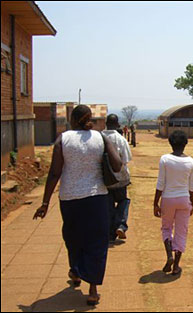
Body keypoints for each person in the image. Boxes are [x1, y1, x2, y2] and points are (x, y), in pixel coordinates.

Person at [33, 105, 122, 306]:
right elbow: (117, 165)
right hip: (97, 197)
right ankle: (92, 290)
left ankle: (75, 271)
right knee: (97, 242)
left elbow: (55, 173)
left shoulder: (63, 139)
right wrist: (105, 146)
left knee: (73, 238)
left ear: (72, 120)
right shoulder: (100, 137)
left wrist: (45, 202)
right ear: (90, 119)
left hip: (70, 199)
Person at [153, 130, 193, 275]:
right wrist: (191, 204)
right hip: (184, 199)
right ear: (185, 144)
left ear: (170, 143)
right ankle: (176, 265)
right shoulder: (191, 162)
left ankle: (169, 255)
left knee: (166, 228)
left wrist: (155, 203)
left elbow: (161, 183)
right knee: (181, 232)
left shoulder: (165, 159)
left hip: (168, 199)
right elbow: (192, 187)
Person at [102, 114, 132, 242]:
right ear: (117, 124)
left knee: (108, 206)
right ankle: (120, 225)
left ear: (106, 123)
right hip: (120, 178)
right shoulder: (120, 139)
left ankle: (110, 234)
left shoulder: (99, 137)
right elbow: (126, 159)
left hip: (104, 179)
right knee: (123, 201)